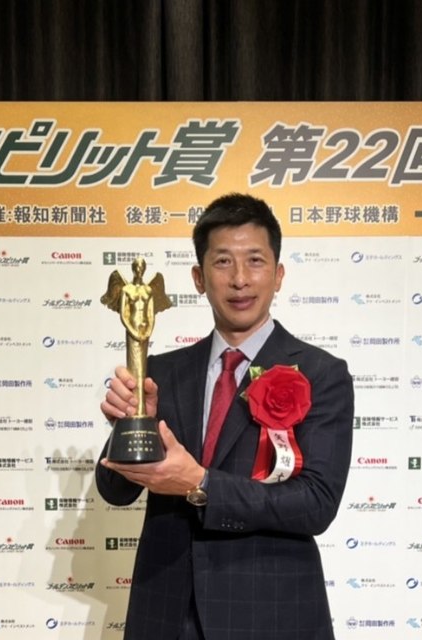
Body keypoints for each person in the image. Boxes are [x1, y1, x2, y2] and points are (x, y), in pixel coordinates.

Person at [96, 193, 355, 640]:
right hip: (164, 611)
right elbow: (115, 490)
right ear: (198, 278)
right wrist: (132, 426)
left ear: (278, 275)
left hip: (271, 615)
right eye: (222, 262)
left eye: (255, 261)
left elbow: (315, 504)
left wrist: (199, 483)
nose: (239, 279)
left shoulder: (320, 373)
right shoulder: (161, 371)